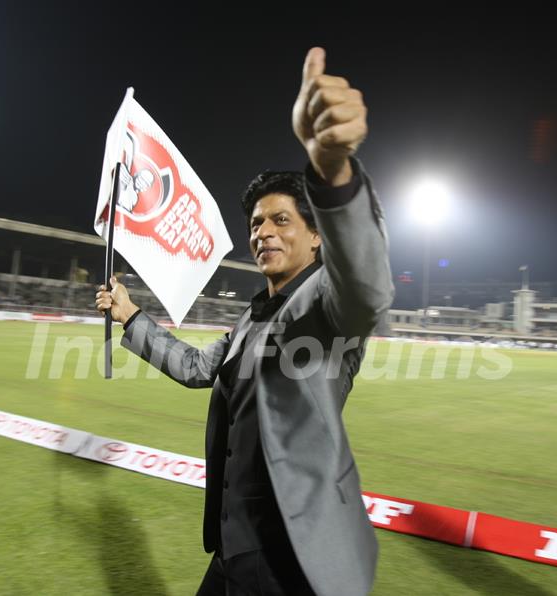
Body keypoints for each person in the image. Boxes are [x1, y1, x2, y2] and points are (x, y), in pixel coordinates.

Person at [96, 47, 393, 596]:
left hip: (294, 556)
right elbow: (194, 368)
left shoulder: (328, 309)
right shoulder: (253, 317)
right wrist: (131, 313)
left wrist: (333, 176)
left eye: (281, 220)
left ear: (316, 235)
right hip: (236, 546)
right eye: (256, 223)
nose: (263, 233)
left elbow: (368, 287)